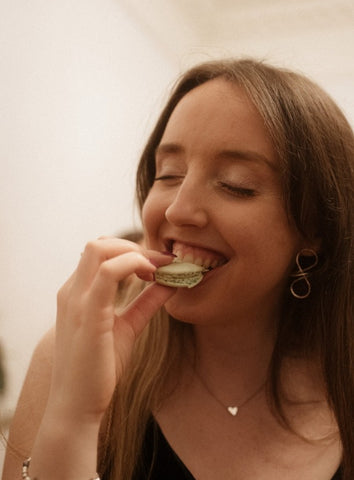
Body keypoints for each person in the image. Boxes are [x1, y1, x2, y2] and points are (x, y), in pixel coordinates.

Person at [2, 58, 353, 480]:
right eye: (168, 174)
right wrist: (73, 419)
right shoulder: (69, 355)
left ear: (313, 226)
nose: (178, 208)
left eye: (235, 184)